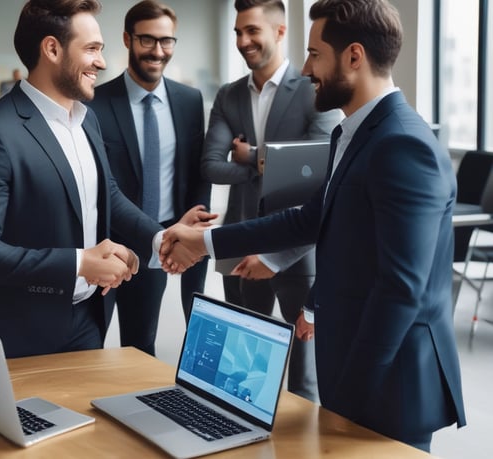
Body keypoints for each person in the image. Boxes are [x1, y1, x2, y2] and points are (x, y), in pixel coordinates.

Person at [161, 0, 466, 451]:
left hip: (389, 385)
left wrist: (349, 393)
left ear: (354, 57)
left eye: (315, 54)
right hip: (356, 370)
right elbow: (311, 220)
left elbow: (402, 289)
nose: (305, 69)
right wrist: (204, 241)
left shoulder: (403, 145)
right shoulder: (353, 131)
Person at [0, 0, 205, 359]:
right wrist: (81, 263)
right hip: (16, 331)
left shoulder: (86, 118)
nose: (102, 61)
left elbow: (106, 194)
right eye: (92, 49)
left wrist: (159, 238)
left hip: (87, 321)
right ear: (52, 48)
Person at [201, 0, 339, 401]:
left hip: (297, 247)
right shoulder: (228, 96)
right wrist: (265, 164)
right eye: (238, 32)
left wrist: (250, 154)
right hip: (241, 238)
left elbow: (318, 163)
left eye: (252, 31)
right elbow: (211, 165)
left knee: (304, 376)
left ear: (279, 32)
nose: (243, 41)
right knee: (242, 368)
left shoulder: (313, 88)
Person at [88, 0, 212, 355]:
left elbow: (197, 170)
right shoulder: (96, 102)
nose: (158, 51)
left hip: (165, 237)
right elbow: (101, 184)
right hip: (108, 245)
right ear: (127, 39)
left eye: (167, 41)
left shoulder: (189, 100)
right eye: (147, 40)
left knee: (140, 346)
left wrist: (191, 229)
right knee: (87, 345)